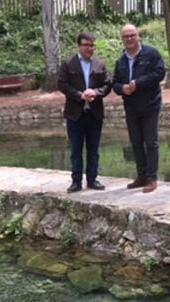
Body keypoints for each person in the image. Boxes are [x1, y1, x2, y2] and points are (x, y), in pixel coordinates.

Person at [112, 23, 166, 194]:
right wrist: (123, 89)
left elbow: (160, 73)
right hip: (131, 106)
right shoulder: (120, 61)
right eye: (126, 36)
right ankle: (141, 176)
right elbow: (115, 83)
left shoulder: (151, 54)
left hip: (150, 104)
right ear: (123, 39)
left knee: (151, 142)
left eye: (132, 35)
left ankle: (152, 178)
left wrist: (138, 83)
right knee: (136, 142)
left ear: (138, 36)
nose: (129, 39)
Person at [58, 31, 112, 193]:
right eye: (86, 45)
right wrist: (80, 95)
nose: (90, 48)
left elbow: (108, 84)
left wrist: (96, 92)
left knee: (93, 150)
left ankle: (92, 179)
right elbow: (62, 84)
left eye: (92, 45)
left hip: (95, 114)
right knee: (75, 150)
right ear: (79, 45)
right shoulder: (69, 63)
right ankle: (76, 181)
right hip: (75, 114)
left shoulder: (100, 64)